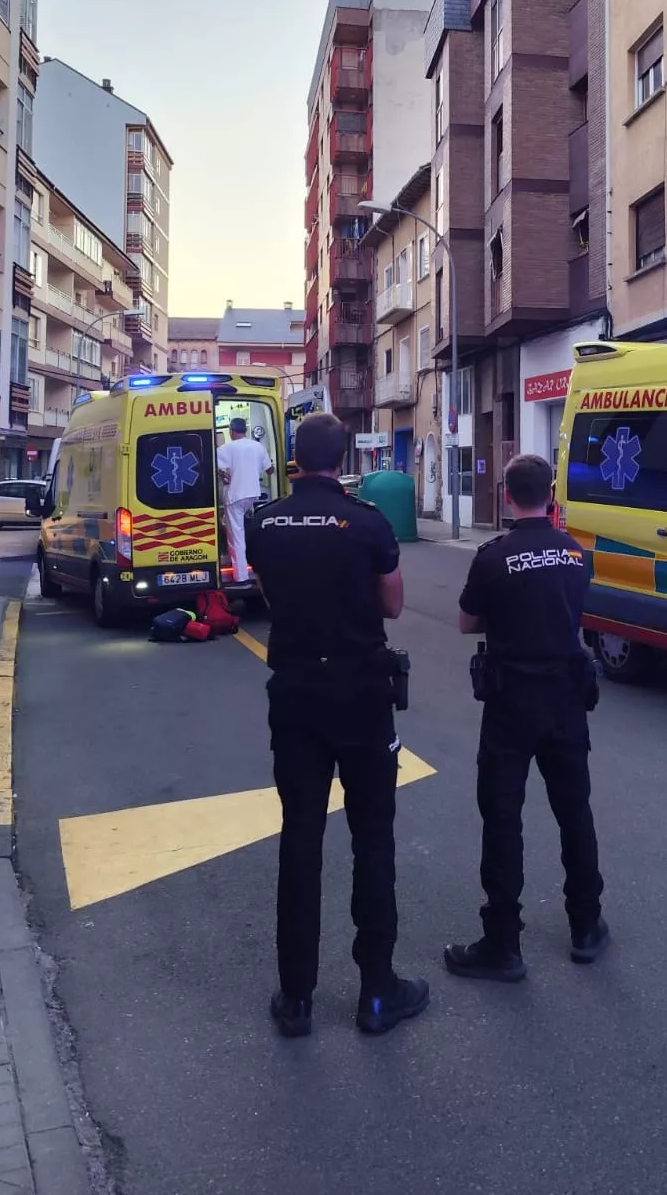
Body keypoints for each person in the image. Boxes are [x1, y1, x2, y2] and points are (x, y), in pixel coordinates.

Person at [245, 411, 428, 1039]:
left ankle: (296, 997)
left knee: (300, 839)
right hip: (361, 692)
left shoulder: (262, 522)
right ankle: (378, 991)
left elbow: (269, 594)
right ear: (343, 459)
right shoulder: (367, 523)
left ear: (295, 459)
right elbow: (394, 603)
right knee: (373, 838)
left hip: (295, 692)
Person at [445, 453, 607, 983]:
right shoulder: (574, 552)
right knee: (574, 811)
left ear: (507, 496)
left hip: (512, 700)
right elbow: (573, 609)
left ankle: (503, 945)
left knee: (502, 817)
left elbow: (468, 621)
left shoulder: (494, 556)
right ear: (551, 494)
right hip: (565, 695)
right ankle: (587, 925)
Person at [216, 416, 272, 583]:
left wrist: (222, 473)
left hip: (235, 496)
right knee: (243, 530)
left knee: (236, 537)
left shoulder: (226, 448)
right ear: (245, 430)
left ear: (231, 431)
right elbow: (270, 470)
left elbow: (212, 465)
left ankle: (241, 577)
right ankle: (250, 566)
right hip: (252, 494)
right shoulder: (258, 446)